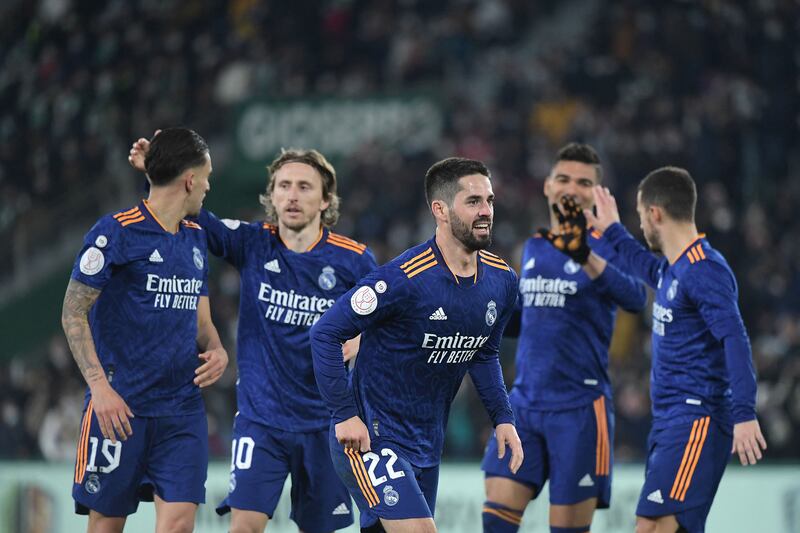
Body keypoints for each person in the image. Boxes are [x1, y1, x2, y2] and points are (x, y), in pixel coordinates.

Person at [130, 139, 376, 533]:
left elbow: (389, 321)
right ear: (271, 196)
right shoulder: (252, 242)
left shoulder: (354, 259)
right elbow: (191, 216)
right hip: (262, 420)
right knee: (244, 526)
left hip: (326, 423)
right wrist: (159, 175)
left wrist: (363, 340)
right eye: (283, 186)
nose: (292, 196)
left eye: (304, 186)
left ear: (326, 200)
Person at [310, 157, 524, 532]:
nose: (486, 211)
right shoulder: (403, 279)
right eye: (473, 201)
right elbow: (325, 333)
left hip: (426, 444)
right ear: (439, 210)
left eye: (489, 200)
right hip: (371, 438)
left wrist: (502, 417)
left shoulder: (502, 280)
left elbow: (484, 352)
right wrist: (344, 414)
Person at [62, 127, 229, 533]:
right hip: (120, 407)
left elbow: (200, 321)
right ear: (190, 179)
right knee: (107, 526)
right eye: (206, 177)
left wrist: (219, 348)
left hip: (182, 411)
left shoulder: (194, 238)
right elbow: (72, 313)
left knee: (178, 525)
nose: (207, 186)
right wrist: (100, 388)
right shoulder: (115, 232)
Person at [584, 167, 767, 533]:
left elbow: (734, 337)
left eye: (639, 215)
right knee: (659, 527)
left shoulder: (704, 269)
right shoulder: (676, 269)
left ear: (655, 213)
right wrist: (609, 230)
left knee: (653, 527)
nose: (641, 224)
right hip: (671, 423)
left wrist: (744, 412)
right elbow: (639, 264)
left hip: (696, 419)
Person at [480, 143, 647, 532]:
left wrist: (585, 253)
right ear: (547, 186)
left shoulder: (609, 243)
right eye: (564, 178)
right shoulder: (535, 245)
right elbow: (525, 319)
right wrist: (478, 313)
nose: (572, 187)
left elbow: (637, 298)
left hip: (580, 409)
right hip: (524, 402)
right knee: (495, 521)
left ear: (597, 193)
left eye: (584, 182)